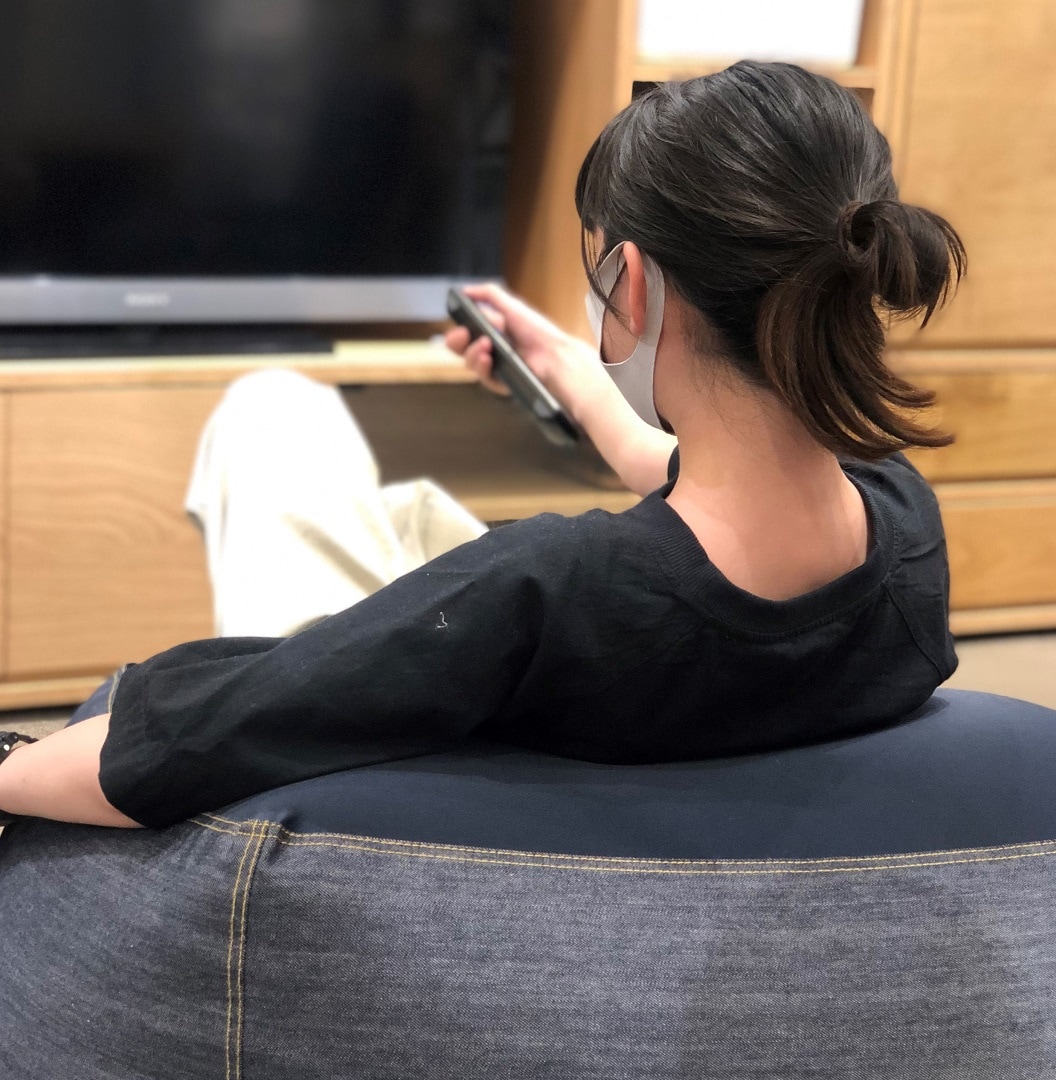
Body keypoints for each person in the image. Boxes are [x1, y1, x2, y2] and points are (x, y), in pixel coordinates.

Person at [0, 61, 964, 830]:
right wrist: (571, 373)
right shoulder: (905, 523)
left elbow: (189, 742)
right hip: (575, 670)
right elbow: (693, 485)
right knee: (380, 493)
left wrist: (16, 766)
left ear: (631, 285)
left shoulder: (548, 588)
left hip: (387, 712)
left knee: (270, 412)